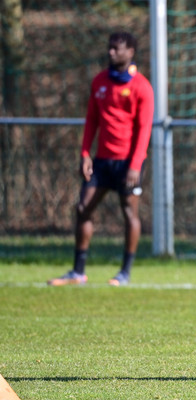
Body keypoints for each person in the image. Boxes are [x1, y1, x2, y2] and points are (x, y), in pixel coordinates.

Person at [48, 32, 154, 287]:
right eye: (109, 48)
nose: (111, 53)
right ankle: (78, 272)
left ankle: (125, 273)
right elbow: (92, 120)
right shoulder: (99, 82)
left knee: (129, 213)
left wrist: (135, 165)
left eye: (117, 49)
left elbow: (144, 129)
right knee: (83, 209)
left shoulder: (141, 87)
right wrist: (85, 153)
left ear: (131, 52)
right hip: (101, 161)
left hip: (127, 162)